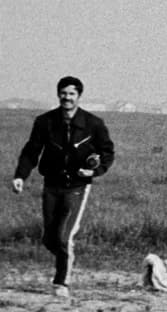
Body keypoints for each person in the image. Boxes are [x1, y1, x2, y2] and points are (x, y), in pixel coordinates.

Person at [11, 76, 114, 297]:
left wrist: (95, 170)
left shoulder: (93, 124)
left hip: (77, 187)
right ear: (58, 94)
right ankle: (65, 259)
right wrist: (20, 176)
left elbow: (107, 152)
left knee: (64, 237)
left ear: (79, 96)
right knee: (49, 238)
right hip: (51, 185)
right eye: (63, 93)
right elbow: (31, 151)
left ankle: (61, 283)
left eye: (71, 94)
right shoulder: (45, 122)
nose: (67, 98)